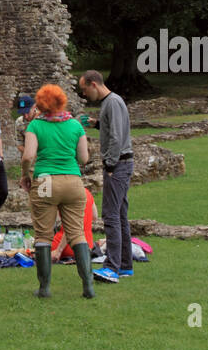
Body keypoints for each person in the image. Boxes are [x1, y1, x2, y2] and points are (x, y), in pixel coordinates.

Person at [20, 83, 94, 300]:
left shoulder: (35, 126)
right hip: (73, 181)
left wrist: (26, 175)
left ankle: (44, 288)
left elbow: (27, 157)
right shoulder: (75, 126)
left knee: (43, 235)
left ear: (41, 104)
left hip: (44, 181)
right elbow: (84, 158)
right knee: (77, 233)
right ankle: (88, 285)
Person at [77, 70, 134, 282]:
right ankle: (125, 265)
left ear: (93, 84)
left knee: (110, 215)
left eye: (84, 89)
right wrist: (95, 123)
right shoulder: (111, 103)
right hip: (121, 164)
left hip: (118, 165)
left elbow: (117, 137)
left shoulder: (112, 102)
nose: (84, 95)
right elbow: (112, 129)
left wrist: (110, 165)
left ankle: (112, 268)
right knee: (120, 215)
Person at [51, 186, 99, 263]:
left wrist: (58, 250)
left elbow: (70, 227)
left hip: (68, 246)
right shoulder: (87, 192)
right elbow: (95, 216)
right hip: (87, 244)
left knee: (40, 249)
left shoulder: (67, 195)